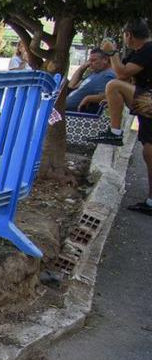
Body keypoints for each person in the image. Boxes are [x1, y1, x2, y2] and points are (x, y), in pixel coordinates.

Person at [90, 18, 152, 215]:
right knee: (149, 152)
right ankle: (151, 201)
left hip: (149, 101)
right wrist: (113, 99)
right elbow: (123, 76)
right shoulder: (140, 52)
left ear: (129, 35)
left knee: (113, 86)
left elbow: (121, 74)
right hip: (146, 103)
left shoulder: (148, 50)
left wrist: (112, 52)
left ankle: (115, 132)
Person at [64, 48, 116, 112]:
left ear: (105, 60)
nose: (90, 63)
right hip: (63, 109)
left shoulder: (108, 75)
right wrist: (82, 67)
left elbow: (110, 96)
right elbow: (71, 85)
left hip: (74, 114)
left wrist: (88, 98)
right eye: (89, 60)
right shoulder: (95, 73)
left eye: (93, 60)